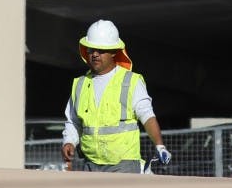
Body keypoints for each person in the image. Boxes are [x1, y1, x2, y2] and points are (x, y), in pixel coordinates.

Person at [61, 19, 172, 173]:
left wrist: (159, 145)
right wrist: (69, 142)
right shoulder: (80, 84)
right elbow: (73, 121)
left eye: (101, 50)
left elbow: (147, 116)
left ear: (114, 51)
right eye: (91, 49)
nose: (94, 54)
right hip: (90, 165)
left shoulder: (130, 81)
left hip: (123, 165)